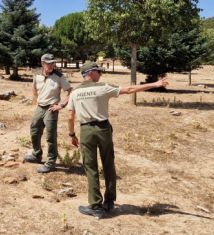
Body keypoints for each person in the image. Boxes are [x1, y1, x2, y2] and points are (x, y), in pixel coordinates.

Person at [66, 62, 169, 217]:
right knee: (108, 163)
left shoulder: (75, 92)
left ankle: (95, 206)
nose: (100, 75)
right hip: (103, 129)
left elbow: (70, 116)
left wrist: (72, 135)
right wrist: (155, 83)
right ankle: (109, 201)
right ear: (91, 72)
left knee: (90, 167)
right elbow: (129, 89)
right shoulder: (102, 87)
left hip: (86, 130)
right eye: (99, 72)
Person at [24, 53, 72, 173]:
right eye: (48, 63)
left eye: (52, 63)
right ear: (42, 64)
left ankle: (51, 162)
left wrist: (61, 105)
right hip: (40, 107)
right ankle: (36, 154)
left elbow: (70, 92)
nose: (51, 65)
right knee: (34, 131)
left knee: (51, 136)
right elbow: (34, 90)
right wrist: (36, 103)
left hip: (52, 108)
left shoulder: (59, 76)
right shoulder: (37, 76)